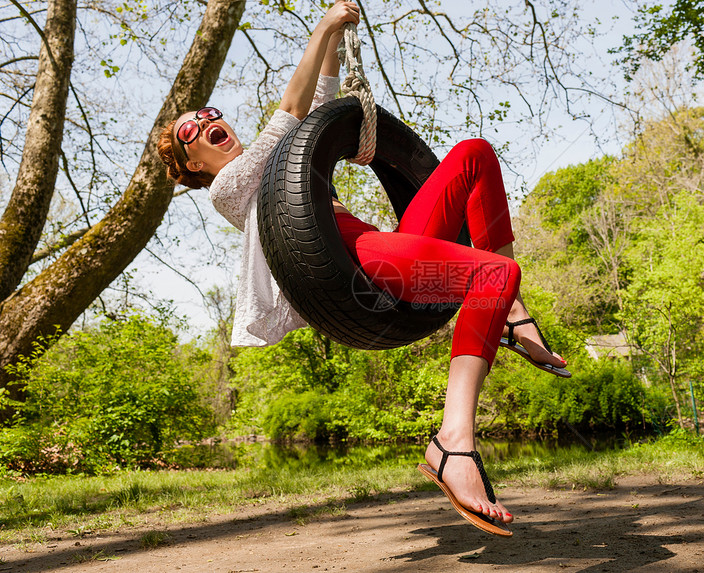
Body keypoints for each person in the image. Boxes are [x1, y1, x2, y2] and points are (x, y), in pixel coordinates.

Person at [157, 0, 568, 534]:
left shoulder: (279, 158)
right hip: (359, 266)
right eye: (194, 130)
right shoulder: (229, 191)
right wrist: (323, 25)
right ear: (192, 164)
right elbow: (291, 111)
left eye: (211, 114)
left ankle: (511, 313)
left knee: (474, 153)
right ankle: (453, 442)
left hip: (383, 246)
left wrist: (336, 39)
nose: (210, 123)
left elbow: (321, 107)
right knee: (492, 273)